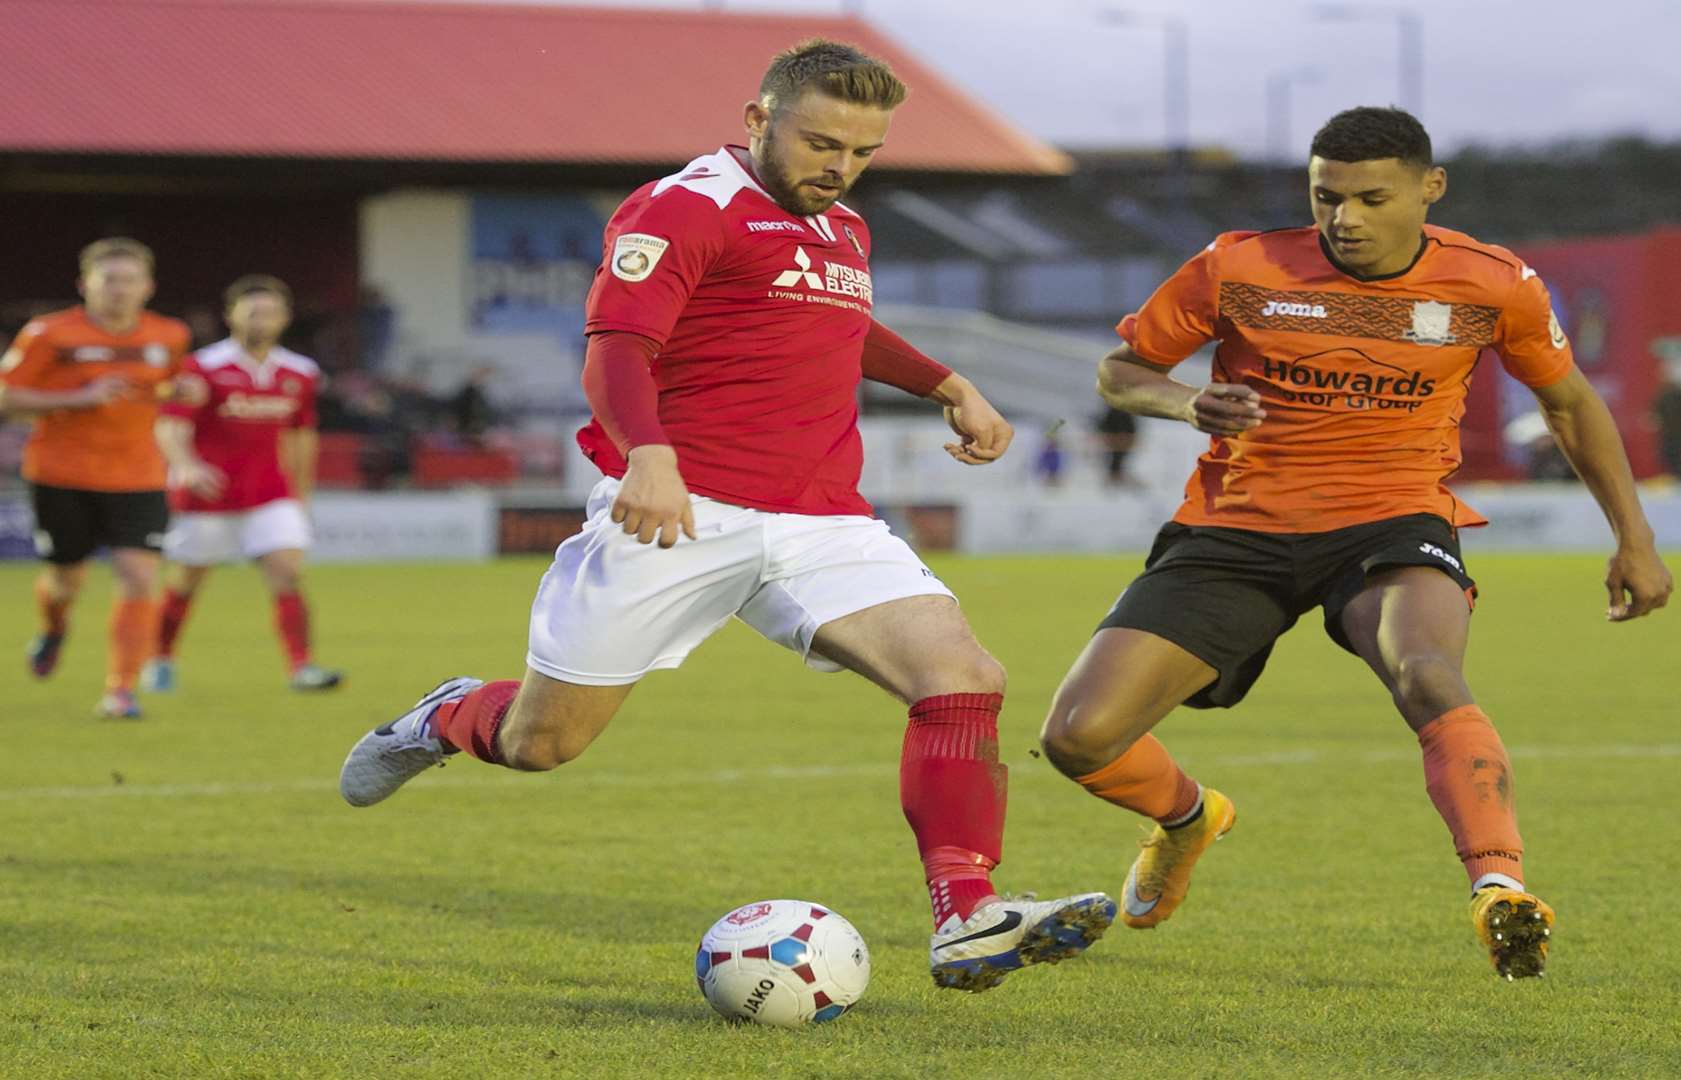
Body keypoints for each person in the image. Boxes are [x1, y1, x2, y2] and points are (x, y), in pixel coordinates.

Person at [337, 38, 1113, 993]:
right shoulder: (683, 206)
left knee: (962, 676)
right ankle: (447, 713)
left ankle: (967, 913)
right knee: (542, 744)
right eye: (823, 142)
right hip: (682, 508)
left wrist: (947, 381)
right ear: (758, 121)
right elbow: (617, 345)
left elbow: (839, 322)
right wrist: (649, 456)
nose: (841, 167)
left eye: (862, 151)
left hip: (822, 514)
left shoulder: (843, 230)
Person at [1037, 107, 1673, 980]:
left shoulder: (1494, 284)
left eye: (1372, 197)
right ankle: (1189, 819)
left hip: (1393, 519)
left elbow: (1568, 406)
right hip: (1237, 528)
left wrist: (1633, 539)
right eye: (1327, 196)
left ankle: (1499, 886)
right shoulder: (1239, 265)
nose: (1346, 218)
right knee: (1077, 737)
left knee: (1427, 671)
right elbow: (1121, 372)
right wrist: (1188, 403)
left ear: (1429, 189)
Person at [0, 237, 193, 719]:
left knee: (138, 575)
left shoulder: (168, 334)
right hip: (61, 474)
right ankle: (55, 626)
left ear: (147, 287)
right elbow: (7, 398)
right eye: (109, 280)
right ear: (84, 284)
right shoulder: (49, 333)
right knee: (66, 580)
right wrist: (78, 398)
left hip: (139, 475)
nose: (119, 290)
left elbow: (175, 384)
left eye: (129, 280)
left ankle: (120, 690)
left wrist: (188, 388)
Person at [145, 275, 344, 693]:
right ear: (229, 315)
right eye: (253, 311)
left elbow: (301, 435)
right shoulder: (201, 367)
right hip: (207, 496)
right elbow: (170, 424)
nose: (262, 319)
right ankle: (160, 659)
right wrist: (187, 465)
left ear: (286, 318)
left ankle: (301, 667)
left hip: (270, 493)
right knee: (186, 580)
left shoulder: (300, 372)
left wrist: (300, 493)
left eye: (271, 311)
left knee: (287, 572)